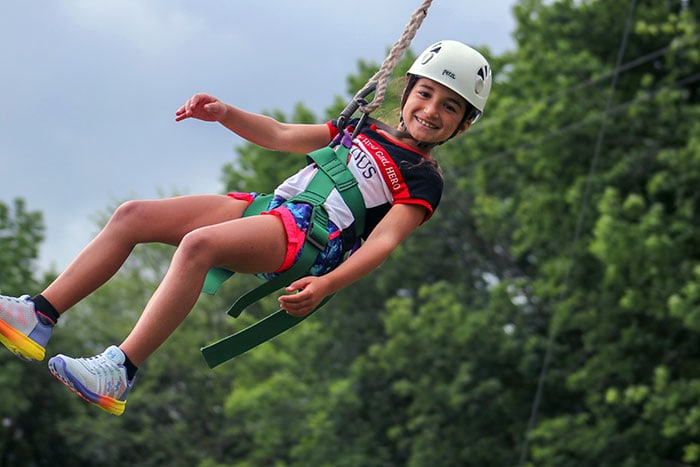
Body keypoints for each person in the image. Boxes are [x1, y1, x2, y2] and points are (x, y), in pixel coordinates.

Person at [0, 40, 492, 416]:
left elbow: (384, 241)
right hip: (272, 210)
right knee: (132, 216)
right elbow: (280, 135)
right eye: (426, 94)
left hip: (311, 239)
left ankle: (120, 369)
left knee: (199, 246)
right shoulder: (362, 127)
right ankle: (39, 315)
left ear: (463, 124)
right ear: (407, 92)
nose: (430, 111)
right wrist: (225, 114)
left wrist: (327, 284)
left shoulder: (422, 177)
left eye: (449, 107)